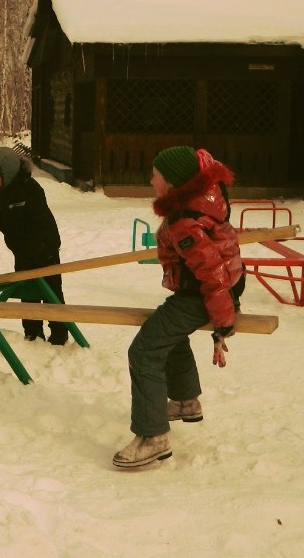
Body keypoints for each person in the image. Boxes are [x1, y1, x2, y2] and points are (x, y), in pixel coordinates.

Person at [113, 146, 243, 469]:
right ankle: (185, 401)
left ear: (171, 182)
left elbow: (212, 272)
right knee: (166, 331)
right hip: (206, 291)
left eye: (155, 175)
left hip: (206, 294)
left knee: (144, 351)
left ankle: (151, 438)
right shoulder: (197, 202)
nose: (151, 179)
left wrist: (222, 321)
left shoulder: (186, 220)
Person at [0, 146, 69, 345]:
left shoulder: (31, 189)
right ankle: (33, 335)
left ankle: (59, 334)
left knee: (51, 292)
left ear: (7, 174)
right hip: (21, 250)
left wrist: (31, 257)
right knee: (28, 294)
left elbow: (38, 227)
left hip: (45, 246)